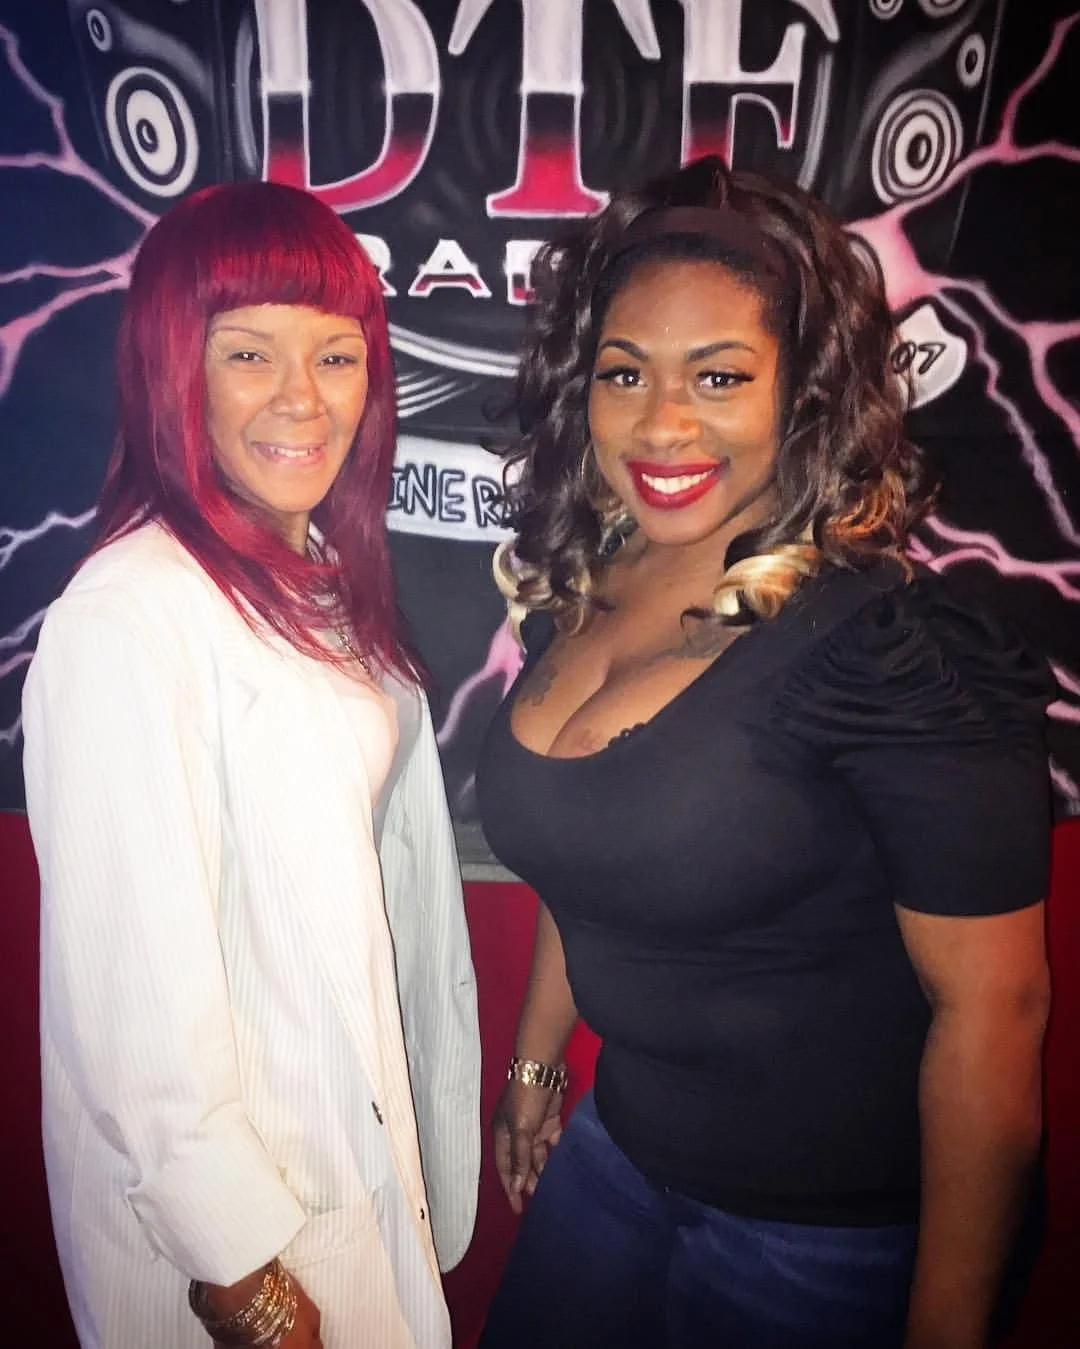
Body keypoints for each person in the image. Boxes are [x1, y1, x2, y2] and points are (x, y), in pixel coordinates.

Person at [474, 155, 1054, 1349]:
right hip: (617, 1157)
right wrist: (536, 1064)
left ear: (801, 396)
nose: (662, 421)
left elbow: (994, 1010)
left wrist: (945, 1328)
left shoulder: (884, 647)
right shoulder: (579, 594)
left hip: (823, 1237)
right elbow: (595, 858)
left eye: (720, 375)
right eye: (624, 372)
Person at [21, 181, 480, 1349]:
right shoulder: (130, 617)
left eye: (335, 354)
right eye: (248, 352)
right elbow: (138, 1041)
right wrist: (258, 1294)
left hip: (351, 1162)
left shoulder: (318, 571)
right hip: (247, 1249)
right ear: (176, 365)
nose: (302, 397)